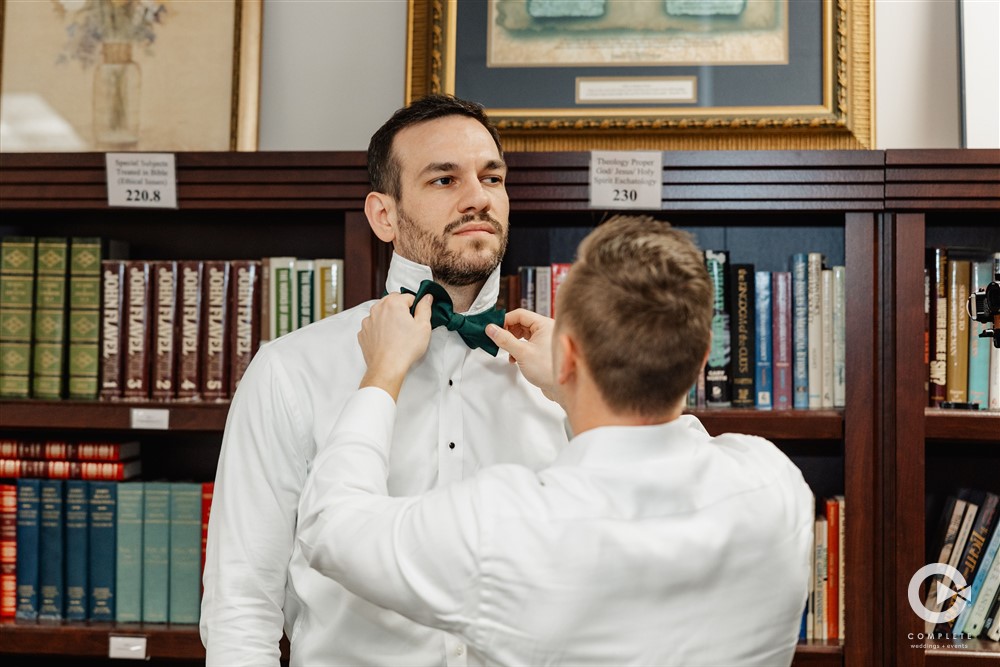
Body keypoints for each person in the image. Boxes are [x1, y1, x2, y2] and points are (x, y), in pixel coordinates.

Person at [296, 216, 816, 666]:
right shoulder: (775, 485)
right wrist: (571, 388)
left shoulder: (505, 524)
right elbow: (671, 445)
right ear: (704, 359)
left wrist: (384, 370)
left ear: (567, 355)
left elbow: (331, 526)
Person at [200, 95, 569, 665]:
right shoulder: (290, 371)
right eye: (444, 179)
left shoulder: (564, 378)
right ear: (384, 216)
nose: (478, 198)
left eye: (491, 177)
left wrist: (577, 395)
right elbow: (241, 606)